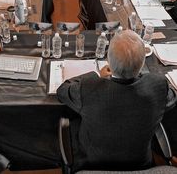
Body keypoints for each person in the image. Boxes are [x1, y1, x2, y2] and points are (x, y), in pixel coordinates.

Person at [57, 30, 176, 172]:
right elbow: (171, 97)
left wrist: (96, 75)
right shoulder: (158, 86)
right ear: (142, 64)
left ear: (109, 61)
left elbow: (63, 90)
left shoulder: (89, 87)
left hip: (93, 164)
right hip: (139, 164)